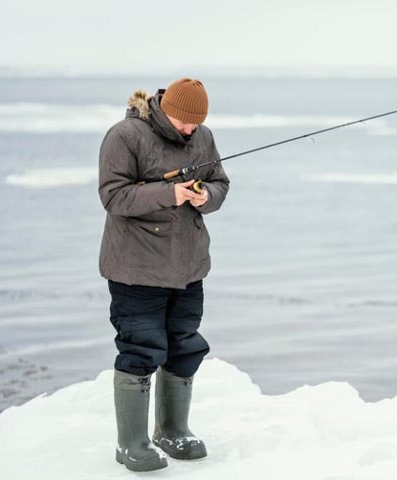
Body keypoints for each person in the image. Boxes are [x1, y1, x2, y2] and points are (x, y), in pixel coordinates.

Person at [98, 78, 230, 471]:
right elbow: (114, 196)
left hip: (188, 267)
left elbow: (221, 182)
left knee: (185, 345)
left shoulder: (203, 137)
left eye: (197, 124)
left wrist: (206, 196)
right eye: (184, 122)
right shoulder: (125, 136)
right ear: (163, 108)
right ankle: (131, 443)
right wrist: (170, 194)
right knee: (141, 348)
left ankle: (172, 430)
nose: (191, 130)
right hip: (136, 268)